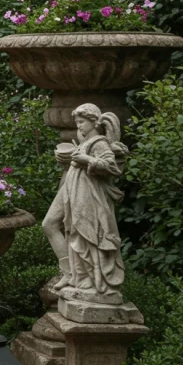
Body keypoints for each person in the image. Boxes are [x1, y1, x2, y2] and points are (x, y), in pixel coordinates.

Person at [44, 103, 128, 298]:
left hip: (87, 194)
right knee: (51, 224)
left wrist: (86, 160)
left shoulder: (99, 142)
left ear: (93, 122)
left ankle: (86, 279)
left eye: (82, 122)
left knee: (84, 234)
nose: (79, 126)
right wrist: (68, 162)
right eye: (77, 122)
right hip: (72, 189)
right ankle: (70, 272)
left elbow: (112, 168)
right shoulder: (84, 142)